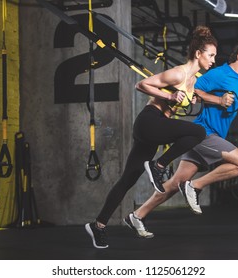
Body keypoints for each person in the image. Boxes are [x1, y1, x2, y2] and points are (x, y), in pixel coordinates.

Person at [85, 26, 218, 249]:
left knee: (128, 179)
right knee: (198, 132)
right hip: (149, 122)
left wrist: (187, 102)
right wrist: (170, 94)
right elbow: (141, 84)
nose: (213, 60)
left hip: (156, 129)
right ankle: (158, 166)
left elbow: (178, 103)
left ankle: (97, 226)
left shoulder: (193, 80)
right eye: (211, 55)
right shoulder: (178, 73)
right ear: (198, 54)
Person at [126, 42, 238, 236]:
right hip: (205, 133)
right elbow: (193, 88)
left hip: (207, 135)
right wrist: (218, 100)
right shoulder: (220, 73)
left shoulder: (236, 80)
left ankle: (137, 215)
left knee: (173, 184)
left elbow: (225, 94)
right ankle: (195, 186)